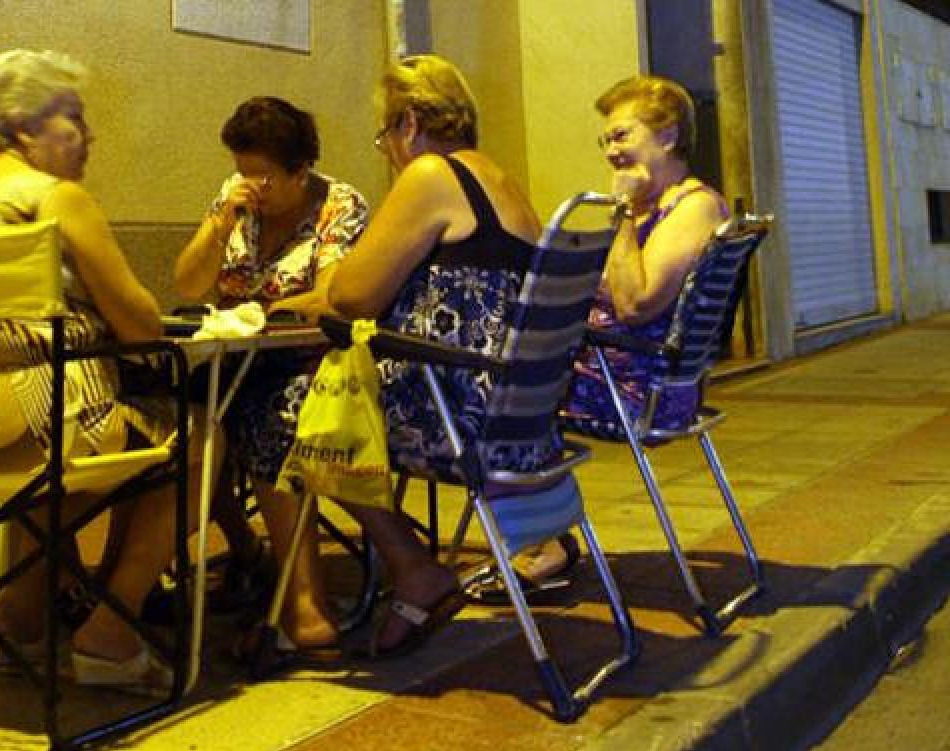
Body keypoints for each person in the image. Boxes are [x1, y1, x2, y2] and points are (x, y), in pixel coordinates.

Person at [0, 49, 212, 693]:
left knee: (61, 471)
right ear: (24, 128)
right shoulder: (55, 198)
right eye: (73, 117)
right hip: (34, 426)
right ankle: (111, 628)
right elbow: (142, 328)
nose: (88, 134)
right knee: (204, 438)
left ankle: (18, 620)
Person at [240, 55, 545, 658]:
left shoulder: (431, 174)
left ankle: (377, 581)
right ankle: (406, 570)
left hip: (450, 409)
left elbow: (353, 296)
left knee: (269, 410)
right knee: (320, 406)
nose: (387, 152)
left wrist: (287, 304)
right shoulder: (501, 181)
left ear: (409, 123)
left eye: (384, 136)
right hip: (517, 412)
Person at [469, 75, 731, 605]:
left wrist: (621, 215)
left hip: (635, 388)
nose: (611, 151)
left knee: (476, 397)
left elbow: (637, 303)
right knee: (496, 377)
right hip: (620, 373)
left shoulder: (693, 207)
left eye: (622, 135)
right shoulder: (661, 207)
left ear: (668, 135)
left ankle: (542, 547)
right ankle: (545, 536)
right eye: (605, 140)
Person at [174, 97, 368, 648]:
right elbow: (188, 285)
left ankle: (304, 602)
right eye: (243, 172)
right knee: (180, 418)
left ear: (300, 170)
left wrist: (265, 311)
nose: (251, 187)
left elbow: (331, 296)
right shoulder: (233, 201)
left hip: (308, 359)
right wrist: (219, 224)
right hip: (233, 359)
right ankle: (245, 550)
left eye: (263, 177)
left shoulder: (338, 206)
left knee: (264, 417)